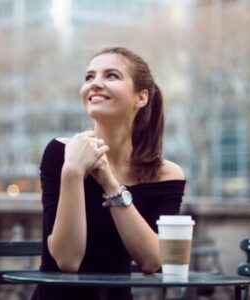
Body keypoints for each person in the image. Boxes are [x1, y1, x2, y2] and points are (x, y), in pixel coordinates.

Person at [31, 47, 186, 300]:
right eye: (89, 77)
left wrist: (110, 183)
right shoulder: (60, 153)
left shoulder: (167, 175)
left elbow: (151, 260)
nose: (95, 84)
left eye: (111, 76)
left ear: (141, 97)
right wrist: (72, 171)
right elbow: (68, 260)